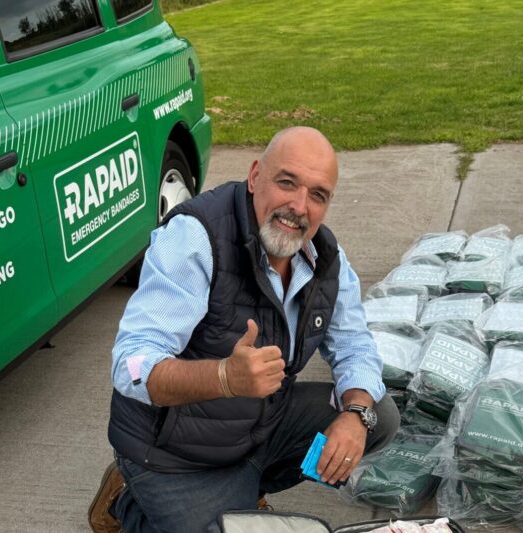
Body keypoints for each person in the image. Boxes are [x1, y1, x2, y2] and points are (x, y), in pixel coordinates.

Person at [89, 127, 399, 533]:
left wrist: (356, 415)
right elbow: (131, 364)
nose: (299, 206)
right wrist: (224, 377)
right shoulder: (196, 237)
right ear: (255, 177)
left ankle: (242, 489)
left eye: (318, 195)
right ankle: (129, 502)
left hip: (259, 424)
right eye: (286, 182)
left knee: (381, 416)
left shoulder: (325, 256)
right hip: (173, 452)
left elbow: (355, 344)